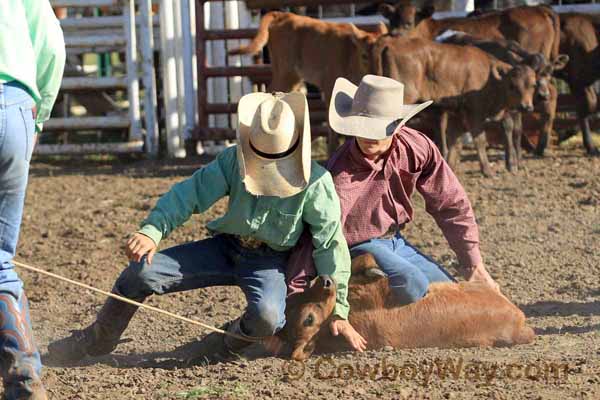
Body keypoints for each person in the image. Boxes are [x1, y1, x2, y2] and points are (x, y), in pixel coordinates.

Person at [48, 91, 366, 364]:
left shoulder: (316, 182)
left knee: (268, 316)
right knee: (140, 272)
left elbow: (330, 246)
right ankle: (96, 339)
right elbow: (189, 194)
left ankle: (219, 348)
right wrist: (152, 230)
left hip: (269, 261)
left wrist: (339, 311)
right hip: (225, 246)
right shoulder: (233, 160)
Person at [289, 74, 498, 309]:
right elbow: (317, 232)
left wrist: (473, 264)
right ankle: (361, 307)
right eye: (361, 126)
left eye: (376, 128)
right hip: (355, 247)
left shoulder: (417, 148)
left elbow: (450, 201)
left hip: (395, 242)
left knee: (450, 294)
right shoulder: (340, 174)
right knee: (411, 283)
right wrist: (297, 294)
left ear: (397, 126)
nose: (368, 136)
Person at [0, 1, 65, 399]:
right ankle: (23, 374)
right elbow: (53, 47)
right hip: (17, 108)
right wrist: (36, 118)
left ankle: (23, 367)